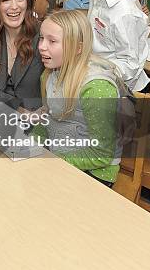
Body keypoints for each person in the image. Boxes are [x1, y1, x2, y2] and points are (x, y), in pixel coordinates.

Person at [33, 10, 127, 186]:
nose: (41, 46)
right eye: (41, 38)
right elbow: (46, 119)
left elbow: (102, 154)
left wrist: (52, 162)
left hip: (95, 173)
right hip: (60, 159)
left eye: (52, 41)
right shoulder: (48, 74)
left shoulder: (97, 88)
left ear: (78, 48)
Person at [88, 0, 150, 92]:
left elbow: (130, 65)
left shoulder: (125, 14)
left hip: (124, 86)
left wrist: (97, 75)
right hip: (96, 69)